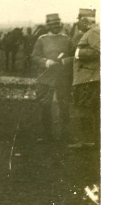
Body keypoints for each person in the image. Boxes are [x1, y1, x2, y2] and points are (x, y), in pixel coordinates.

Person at [31, 13, 74, 144]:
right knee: (45, 106)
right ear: (47, 26)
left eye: (58, 24)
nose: (56, 27)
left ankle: (65, 135)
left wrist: (65, 61)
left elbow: (74, 56)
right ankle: (47, 136)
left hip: (62, 78)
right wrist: (47, 62)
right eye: (53, 25)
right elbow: (34, 56)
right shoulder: (41, 39)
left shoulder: (67, 39)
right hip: (45, 78)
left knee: (64, 106)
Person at [69, 22, 100, 150]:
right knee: (85, 108)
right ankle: (89, 140)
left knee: (85, 108)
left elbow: (98, 52)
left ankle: (87, 141)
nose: (78, 23)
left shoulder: (92, 32)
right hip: (85, 77)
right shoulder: (89, 33)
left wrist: (79, 54)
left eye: (81, 19)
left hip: (88, 78)